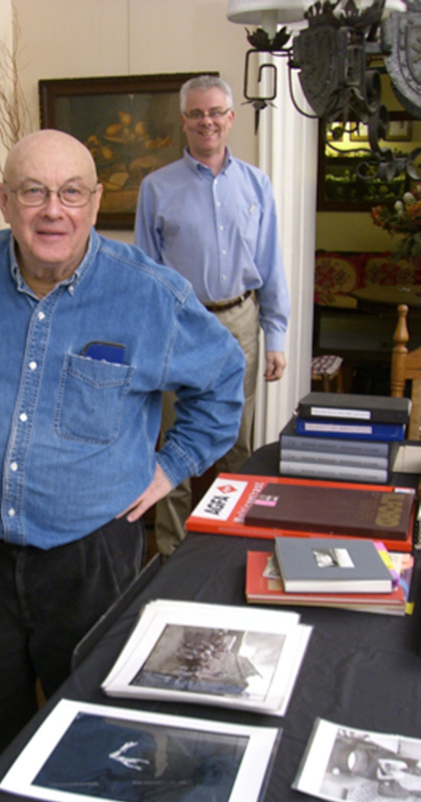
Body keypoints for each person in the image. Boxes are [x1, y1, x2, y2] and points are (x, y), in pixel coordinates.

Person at [0, 128, 245, 793]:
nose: (51, 210)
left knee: (93, 721)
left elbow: (223, 380)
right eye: (33, 191)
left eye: (70, 192)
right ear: (4, 200)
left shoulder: (149, 295)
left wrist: (170, 467)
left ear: (94, 200)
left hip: (92, 556)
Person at [135, 74, 290, 555]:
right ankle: (170, 552)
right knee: (174, 441)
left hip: (241, 323)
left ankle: (228, 547)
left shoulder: (256, 184)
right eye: (197, 113)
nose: (208, 122)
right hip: (179, 326)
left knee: (236, 441)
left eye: (216, 112)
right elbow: (146, 273)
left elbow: (270, 264)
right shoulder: (156, 187)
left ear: (230, 118)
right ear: (184, 121)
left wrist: (276, 335)